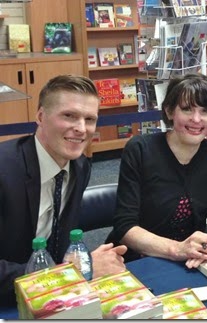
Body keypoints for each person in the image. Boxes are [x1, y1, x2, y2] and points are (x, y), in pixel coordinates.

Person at [106, 73, 207, 268]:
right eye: (187, 109)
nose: (196, 119)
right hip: (136, 261)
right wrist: (177, 250)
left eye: (205, 111)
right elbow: (125, 227)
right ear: (170, 111)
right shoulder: (140, 149)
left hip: (189, 260)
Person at [0, 75, 127, 306]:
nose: (81, 129)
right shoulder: (4, 170)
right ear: (40, 116)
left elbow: (58, 242)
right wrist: (72, 274)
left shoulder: (79, 167)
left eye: (90, 119)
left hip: (53, 297)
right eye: (69, 115)